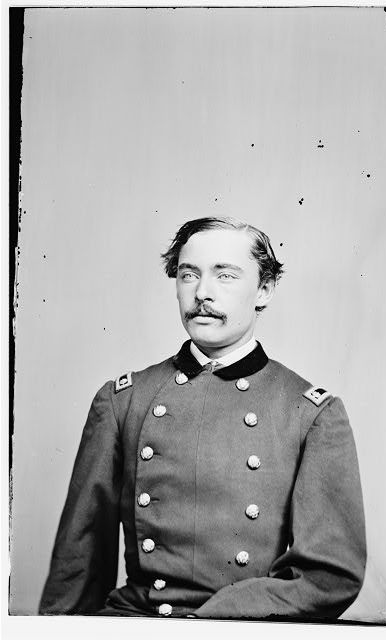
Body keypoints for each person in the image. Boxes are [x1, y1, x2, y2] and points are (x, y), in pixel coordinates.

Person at [39, 216, 366, 620]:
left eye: (225, 276)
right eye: (188, 275)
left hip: (246, 628)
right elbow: (77, 569)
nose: (202, 293)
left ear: (264, 290)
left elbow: (328, 576)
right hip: (137, 624)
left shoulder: (311, 414)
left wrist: (216, 620)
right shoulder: (123, 399)